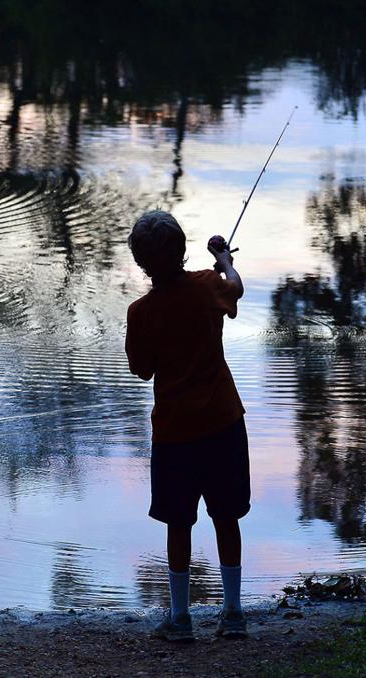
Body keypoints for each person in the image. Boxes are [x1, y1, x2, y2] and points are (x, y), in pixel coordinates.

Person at [124, 210, 251, 642]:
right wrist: (222, 258)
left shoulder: (140, 312)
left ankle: (180, 619)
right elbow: (234, 287)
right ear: (181, 251)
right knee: (226, 517)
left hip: (175, 433)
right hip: (223, 423)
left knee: (179, 523)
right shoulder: (206, 285)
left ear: (142, 263)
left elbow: (141, 370)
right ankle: (232, 613)